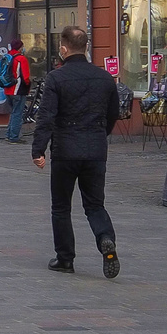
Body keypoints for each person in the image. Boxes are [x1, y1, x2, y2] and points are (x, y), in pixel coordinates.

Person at [31, 26, 121, 278]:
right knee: (94, 205)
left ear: (63, 48)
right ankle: (106, 239)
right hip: (95, 150)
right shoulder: (104, 78)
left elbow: (46, 117)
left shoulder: (56, 78)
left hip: (65, 151)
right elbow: (113, 113)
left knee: (61, 207)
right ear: (87, 47)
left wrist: (38, 150)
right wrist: (100, 134)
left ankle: (65, 259)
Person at [0, 38, 32, 143]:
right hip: (18, 90)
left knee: (13, 113)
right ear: (20, 47)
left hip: (7, 89)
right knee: (17, 113)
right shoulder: (21, 58)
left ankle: (9, 135)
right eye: (22, 47)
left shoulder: (8, 56)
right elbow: (26, 77)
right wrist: (28, 85)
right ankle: (14, 137)